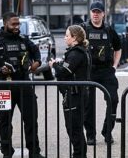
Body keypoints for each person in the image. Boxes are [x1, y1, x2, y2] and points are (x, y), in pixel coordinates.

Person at [0, 12, 44, 158]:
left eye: (18, 24)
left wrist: (37, 62)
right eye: (14, 24)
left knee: (31, 121)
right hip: (3, 87)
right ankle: (7, 152)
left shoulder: (24, 40)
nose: (17, 26)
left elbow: (36, 53)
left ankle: (34, 152)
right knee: (5, 122)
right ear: (5, 24)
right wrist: (0, 70)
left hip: (24, 84)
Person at [81, 1, 122, 145]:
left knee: (113, 100)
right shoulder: (83, 29)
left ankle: (107, 132)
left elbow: (118, 48)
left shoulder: (109, 30)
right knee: (88, 104)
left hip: (106, 71)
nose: (96, 14)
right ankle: (90, 135)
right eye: (93, 12)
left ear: (103, 14)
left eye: (98, 12)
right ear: (90, 13)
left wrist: (115, 66)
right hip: (89, 71)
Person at [48, 25, 91, 158]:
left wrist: (54, 65)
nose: (65, 38)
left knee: (74, 129)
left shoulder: (76, 53)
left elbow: (64, 71)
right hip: (76, 95)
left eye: (67, 35)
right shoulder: (78, 51)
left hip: (75, 96)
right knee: (74, 128)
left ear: (75, 38)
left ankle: (79, 155)